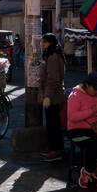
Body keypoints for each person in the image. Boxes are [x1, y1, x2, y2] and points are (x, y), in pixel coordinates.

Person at [40, 33, 65, 162]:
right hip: (52, 95)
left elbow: (53, 78)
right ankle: (53, 148)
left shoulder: (53, 56)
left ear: (50, 43)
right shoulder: (50, 54)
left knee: (54, 125)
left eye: (44, 42)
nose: (42, 45)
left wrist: (47, 96)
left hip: (53, 97)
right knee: (52, 124)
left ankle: (55, 150)